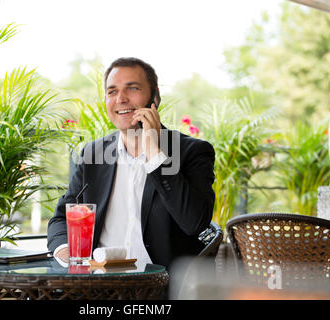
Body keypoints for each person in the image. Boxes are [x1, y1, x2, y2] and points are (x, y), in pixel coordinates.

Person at [47, 57, 215, 268]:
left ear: (155, 97)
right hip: (97, 284)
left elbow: (194, 224)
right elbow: (62, 219)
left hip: (160, 287)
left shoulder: (193, 152)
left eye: (132, 88)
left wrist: (155, 155)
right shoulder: (92, 154)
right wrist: (68, 254)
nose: (121, 99)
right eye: (112, 91)